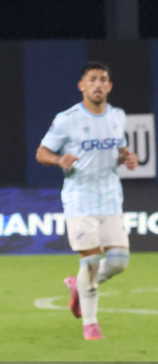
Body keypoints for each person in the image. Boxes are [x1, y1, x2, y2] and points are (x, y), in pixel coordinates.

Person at [36, 61, 137, 340]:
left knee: (118, 262)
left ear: (110, 86)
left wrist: (127, 158)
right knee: (91, 261)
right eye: (92, 79)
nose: (98, 84)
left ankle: (77, 285)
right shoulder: (67, 119)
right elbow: (42, 153)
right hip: (80, 201)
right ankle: (90, 325)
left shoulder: (117, 116)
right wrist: (59, 160)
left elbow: (120, 150)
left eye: (103, 79)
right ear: (82, 86)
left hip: (111, 199)